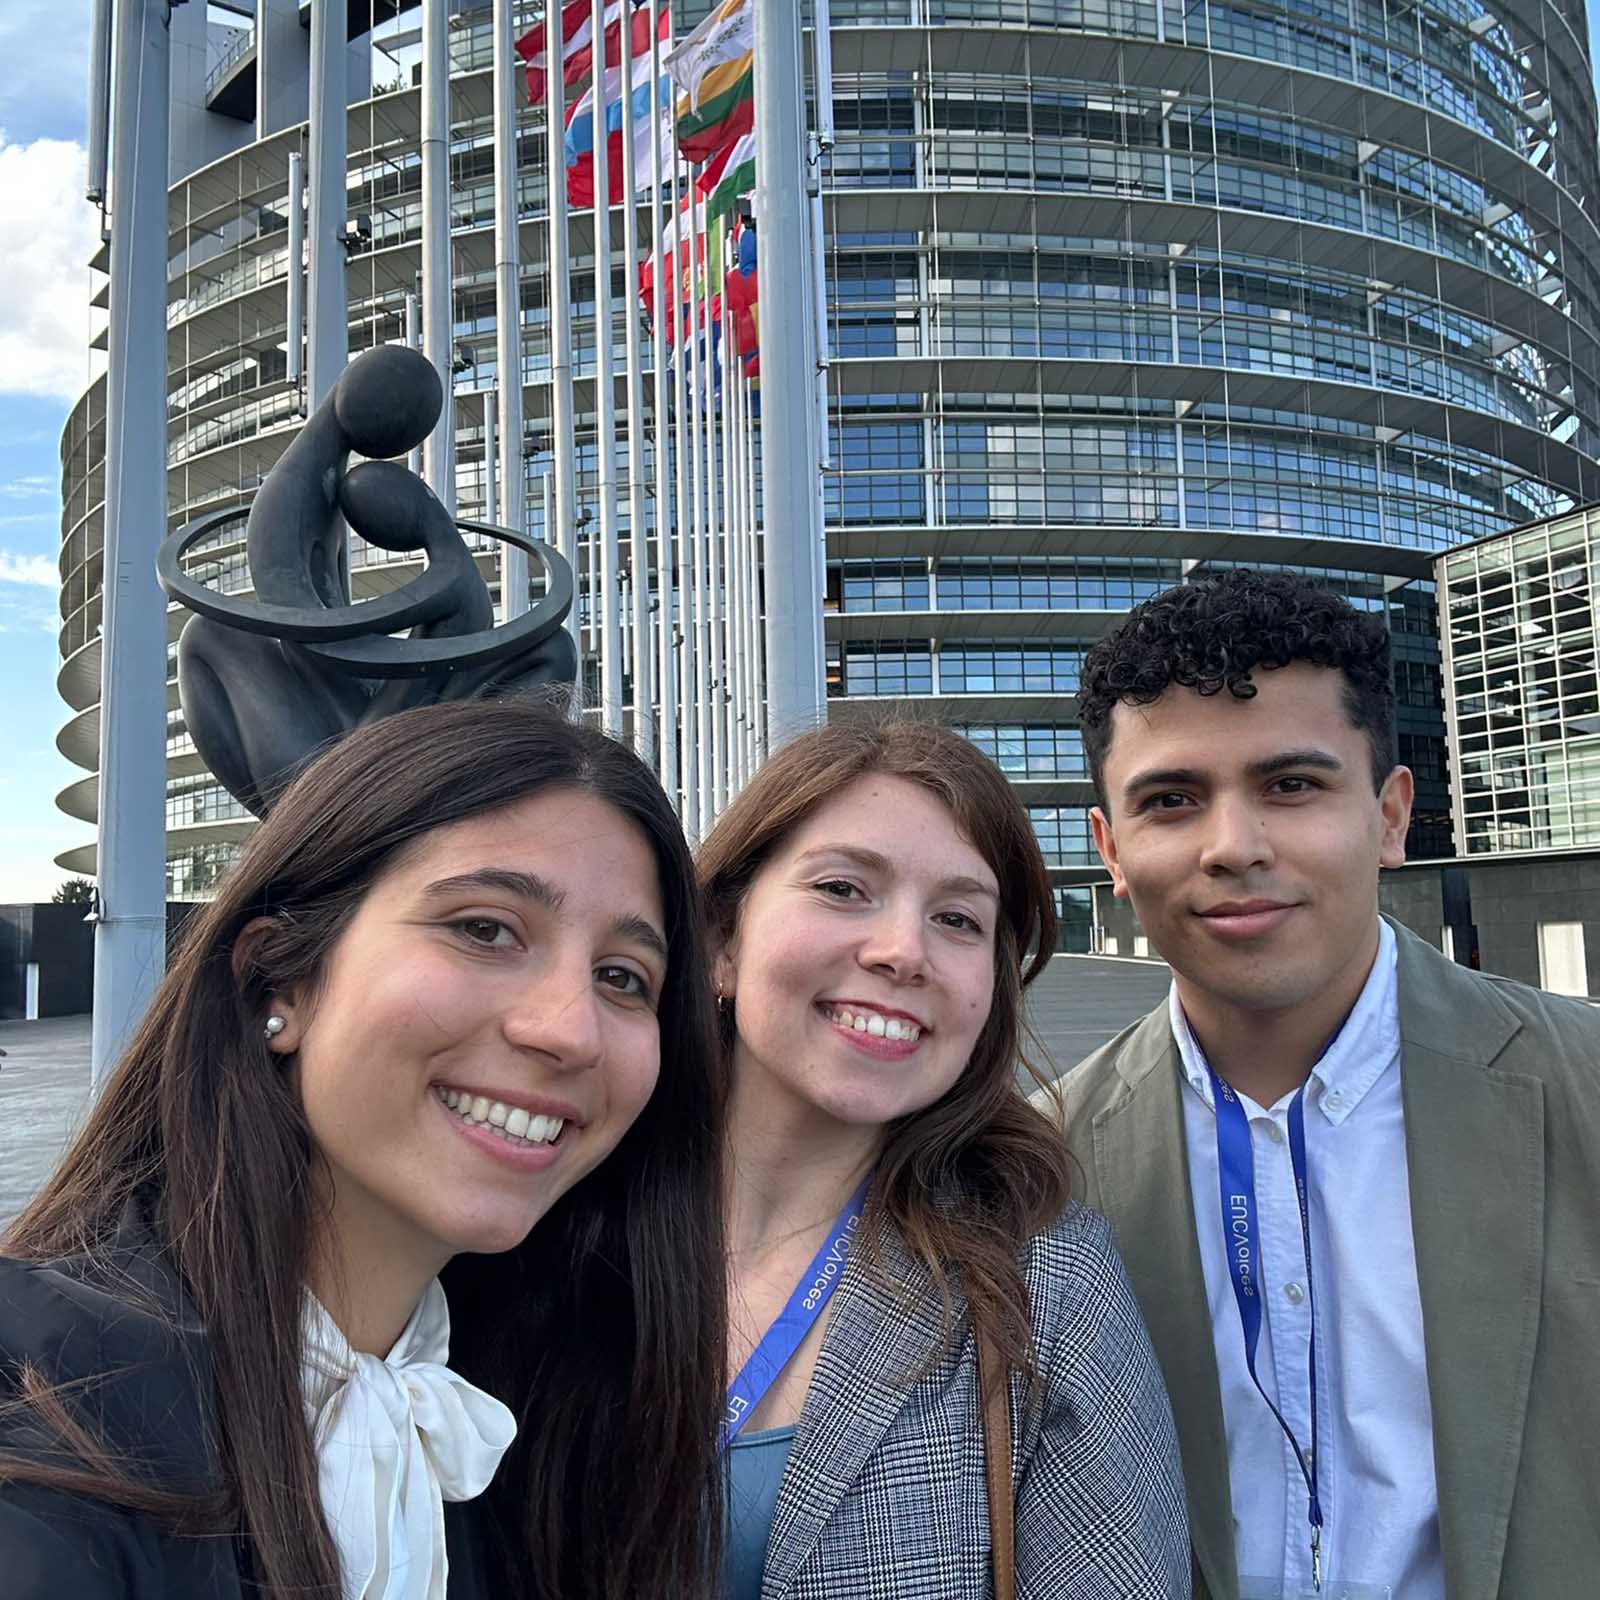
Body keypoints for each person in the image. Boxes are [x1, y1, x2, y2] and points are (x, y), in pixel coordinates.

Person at [0, 699, 727, 1600]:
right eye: (485, 929)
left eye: (624, 978)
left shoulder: (549, 1431)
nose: (570, 1030)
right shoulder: (44, 1436)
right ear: (282, 980)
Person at [1047, 569, 1600, 1600]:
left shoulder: (1584, 1089)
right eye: (1171, 800)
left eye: (1291, 785)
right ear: (1111, 850)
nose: (1233, 847)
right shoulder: (1041, 1168)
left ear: (1390, 816)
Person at [698, 721, 1189, 1600]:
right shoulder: (554, 1225)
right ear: (723, 941)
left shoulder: (1046, 1283)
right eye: (844, 888)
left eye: (957, 919)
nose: (902, 951)